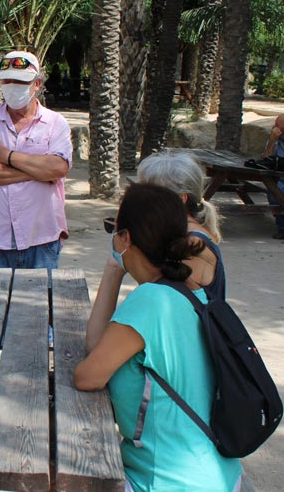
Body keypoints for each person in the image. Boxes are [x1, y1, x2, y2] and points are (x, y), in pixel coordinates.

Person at [74, 183, 242, 492]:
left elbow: (88, 376)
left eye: (113, 227)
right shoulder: (189, 293)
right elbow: (98, 348)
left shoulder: (150, 301)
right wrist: (114, 270)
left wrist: (114, 267)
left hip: (167, 482)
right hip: (218, 475)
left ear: (125, 238)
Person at [0, 50, 72, 269]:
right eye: (7, 81)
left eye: (20, 81)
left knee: (40, 302)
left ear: (37, 83)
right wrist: (38, 170)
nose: (12, 86)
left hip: (41, 236)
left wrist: (8, 157)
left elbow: (58, 168)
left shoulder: (55, 123)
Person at [137, 150, 226, 298]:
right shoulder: (176, 233)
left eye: (152, 195)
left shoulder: (192, 243)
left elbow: (160, 298)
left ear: (181, 199)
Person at [263, 114, 284, 239]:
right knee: (274, 189)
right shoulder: (275, 140)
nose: (275, 128)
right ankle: (282, 228)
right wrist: (271, 141)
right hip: (279, 179)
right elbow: (266, 159)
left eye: (279, 126)